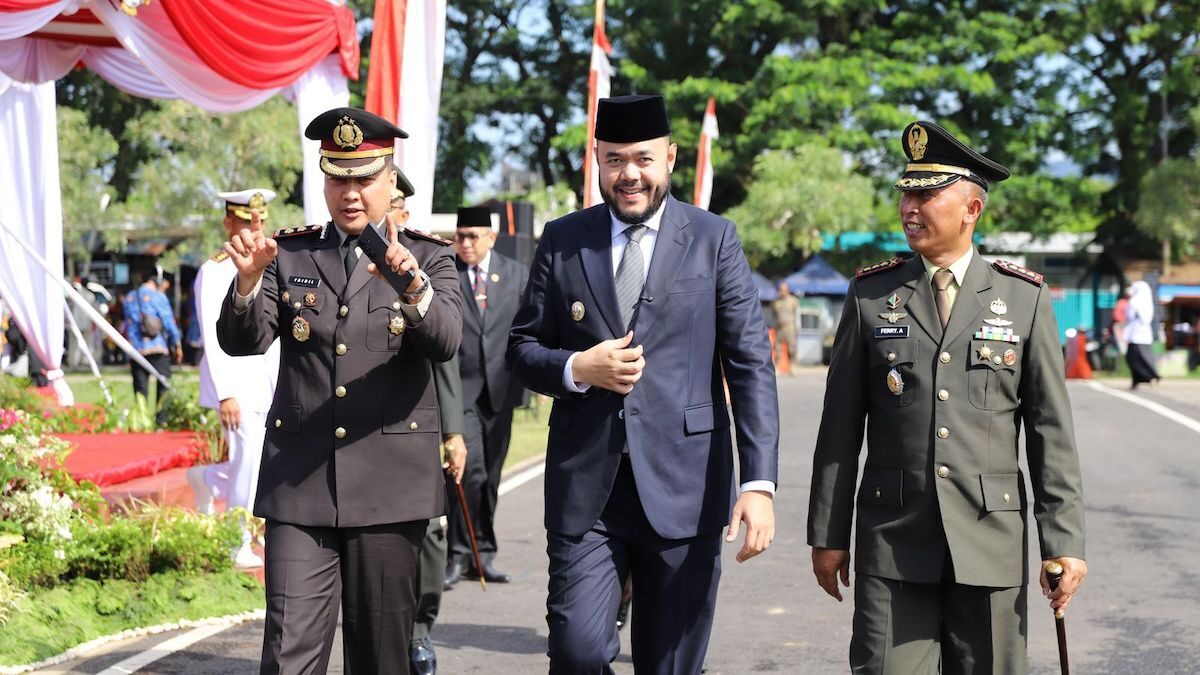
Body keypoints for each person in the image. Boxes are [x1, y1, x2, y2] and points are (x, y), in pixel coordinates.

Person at [507, 94, 779, 674]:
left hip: (687, 486)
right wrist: (577, 369)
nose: (629, 174)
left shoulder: (713, 239)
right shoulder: (563, 239)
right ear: (597, 160)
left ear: (671, 158)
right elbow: (521, 350)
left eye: (643, 159)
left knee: (671, 663)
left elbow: (751, 363)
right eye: (614, 160)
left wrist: (758, 484)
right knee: (578, 653)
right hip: (588, 491)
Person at [808, 120, 1087, 674]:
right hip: (893, 542)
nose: (909, 207)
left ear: (971, 209)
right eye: (906, 193)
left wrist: (1064, 538)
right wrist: (827, 534)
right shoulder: (872, 295)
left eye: (926, 194)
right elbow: (839, 427)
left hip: (989, 540)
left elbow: (1050, 432)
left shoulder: (1022, 298)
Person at [216, 107, 462, 674]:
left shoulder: (428, 256)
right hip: (300, 486)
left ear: (390, 179)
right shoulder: (292, 253)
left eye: (364, 177)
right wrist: (249, 284)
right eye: (337, 177)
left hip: (388, 488)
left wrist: (411, 288)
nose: (350, 192)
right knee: (287, 653)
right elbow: (244, 342)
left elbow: (446, 342)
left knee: (379, 657)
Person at [386, 175, 469, 675]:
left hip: (420, 428)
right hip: (362, 433)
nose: (387, 214)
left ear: (404, 211)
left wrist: (453, 432)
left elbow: (446, 359)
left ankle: (420, 631)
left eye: (395, 204)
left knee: (431, 535)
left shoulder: (428, 262)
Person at [188, 188, 282, 569]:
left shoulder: (274, 260)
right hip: (237, 386)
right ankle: (236, 541)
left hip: (268, 382)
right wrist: (225, 393)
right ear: (229, 223)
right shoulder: (215, 269)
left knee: (258, 459)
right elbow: (213, 337)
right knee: (248, 459)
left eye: (260, 220)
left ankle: (210, 479)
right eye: (246, 221)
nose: (254, 228)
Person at [443, 205, 529, 588]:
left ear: (491, 238)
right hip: (460, 390)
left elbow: (527, 329)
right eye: (460, 236)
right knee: (468, 472)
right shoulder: (446, 272)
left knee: (491, 476)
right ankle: (458, 555)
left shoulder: (515, 274)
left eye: (473, 237)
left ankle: (484, 553)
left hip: (502, 390)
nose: (465, 244)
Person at [123, 270, 182, 427]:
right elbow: (168, 322)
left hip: (136, 349)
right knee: (164, 384)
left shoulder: (129, 297)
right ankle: (161, 421)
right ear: (158, 280)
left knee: (140, 388)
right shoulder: (158, 297)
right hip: (157, 347)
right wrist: (177, 343)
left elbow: (127, 324)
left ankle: (142, 421)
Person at [1123, 279, 1159, 389]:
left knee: (1133, 358)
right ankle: (1139, 379)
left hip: (1136, 335)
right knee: (1143, 358)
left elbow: (1129, 316)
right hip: (1144, 335)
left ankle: (1149, 376)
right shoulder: (1148, 302)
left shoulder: (1135, 301)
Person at [771, 281, 799, 373]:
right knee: (777, 348)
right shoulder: (776, 302)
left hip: (790, 327)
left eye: (783, 290)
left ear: (787, 290)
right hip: (779, 328)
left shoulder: (793, 301)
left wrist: (798, 328)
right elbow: (774, 314)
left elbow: (797, 314)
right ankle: (777, 367)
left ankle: (793, 367)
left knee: (792, 348)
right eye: (780, 290)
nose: (781, 292)